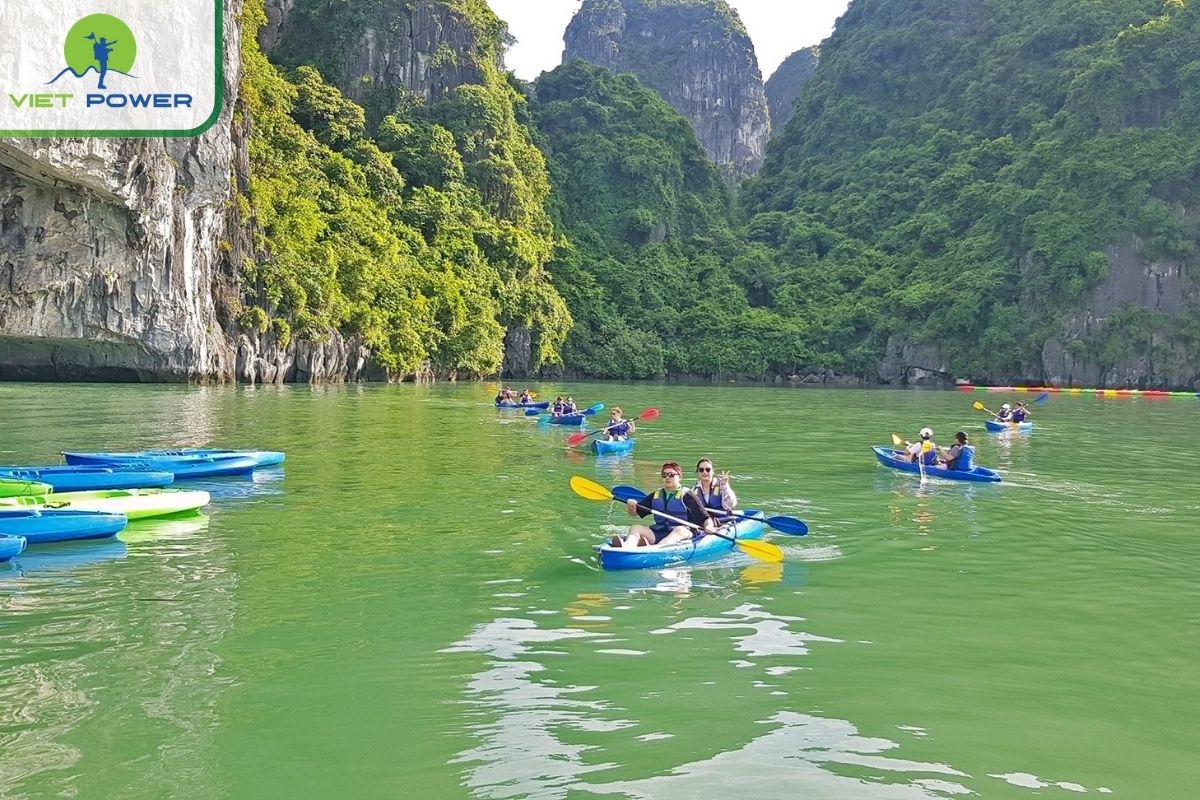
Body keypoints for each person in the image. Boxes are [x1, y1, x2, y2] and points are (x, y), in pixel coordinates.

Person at [614, 462, 715, 548]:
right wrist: (630, 507)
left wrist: (709, 526)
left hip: (684, 532)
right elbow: (635, 513)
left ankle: (656, 549)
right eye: (664, 475)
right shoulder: (656, 495)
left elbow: (705, 517)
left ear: (679, 477)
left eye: (671, 475)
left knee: (679, 530)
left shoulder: (688, 495)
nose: (667, 477)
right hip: (659, 532)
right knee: (635, 527)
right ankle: (627, 547)